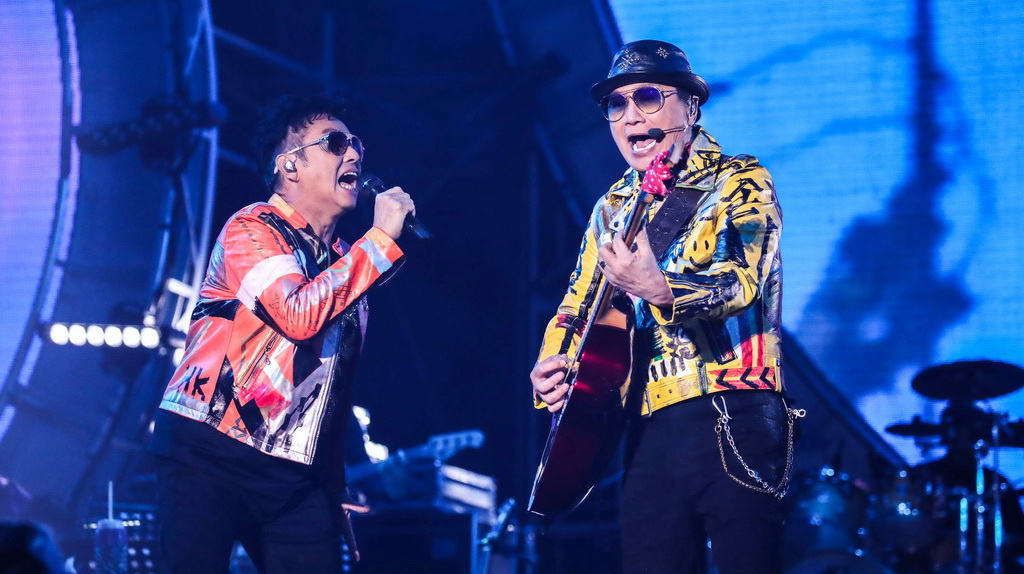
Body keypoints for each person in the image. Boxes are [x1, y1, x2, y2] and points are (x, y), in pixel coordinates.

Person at [530, 40, 798, 574]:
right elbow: (576, 305)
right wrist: (551, 366)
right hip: (646, 423)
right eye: (617, 104)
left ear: (691, 107)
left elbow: (742, 280)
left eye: (648, 98)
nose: (632, 116)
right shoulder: (611, 207)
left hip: (733, 412)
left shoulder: (740, 180)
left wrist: (664, 290)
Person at [149, 94, 416, 574]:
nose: (353, 154)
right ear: (289, 165)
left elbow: (335, 389)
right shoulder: (252, 228)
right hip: (209, 448)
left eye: (356, 144)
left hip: (294, 472)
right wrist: (379, 242)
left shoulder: (347, 263)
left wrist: (333, 488)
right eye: (335, 143)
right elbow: (296, 314)